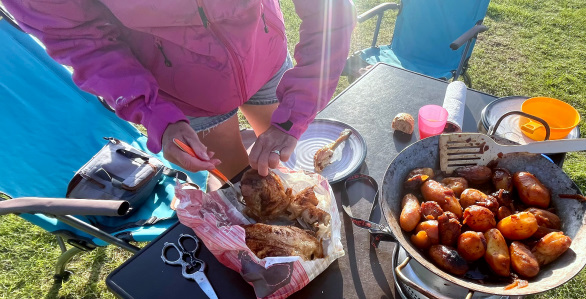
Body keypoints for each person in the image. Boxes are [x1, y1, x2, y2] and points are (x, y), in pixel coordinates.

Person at [3, 0, 356, 178]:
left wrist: (298, 108)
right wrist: (155, 113)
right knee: (240, 177)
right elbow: (80, 39)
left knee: (283, 159)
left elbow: (329, 10)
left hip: (263, 54)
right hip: (182, 95)